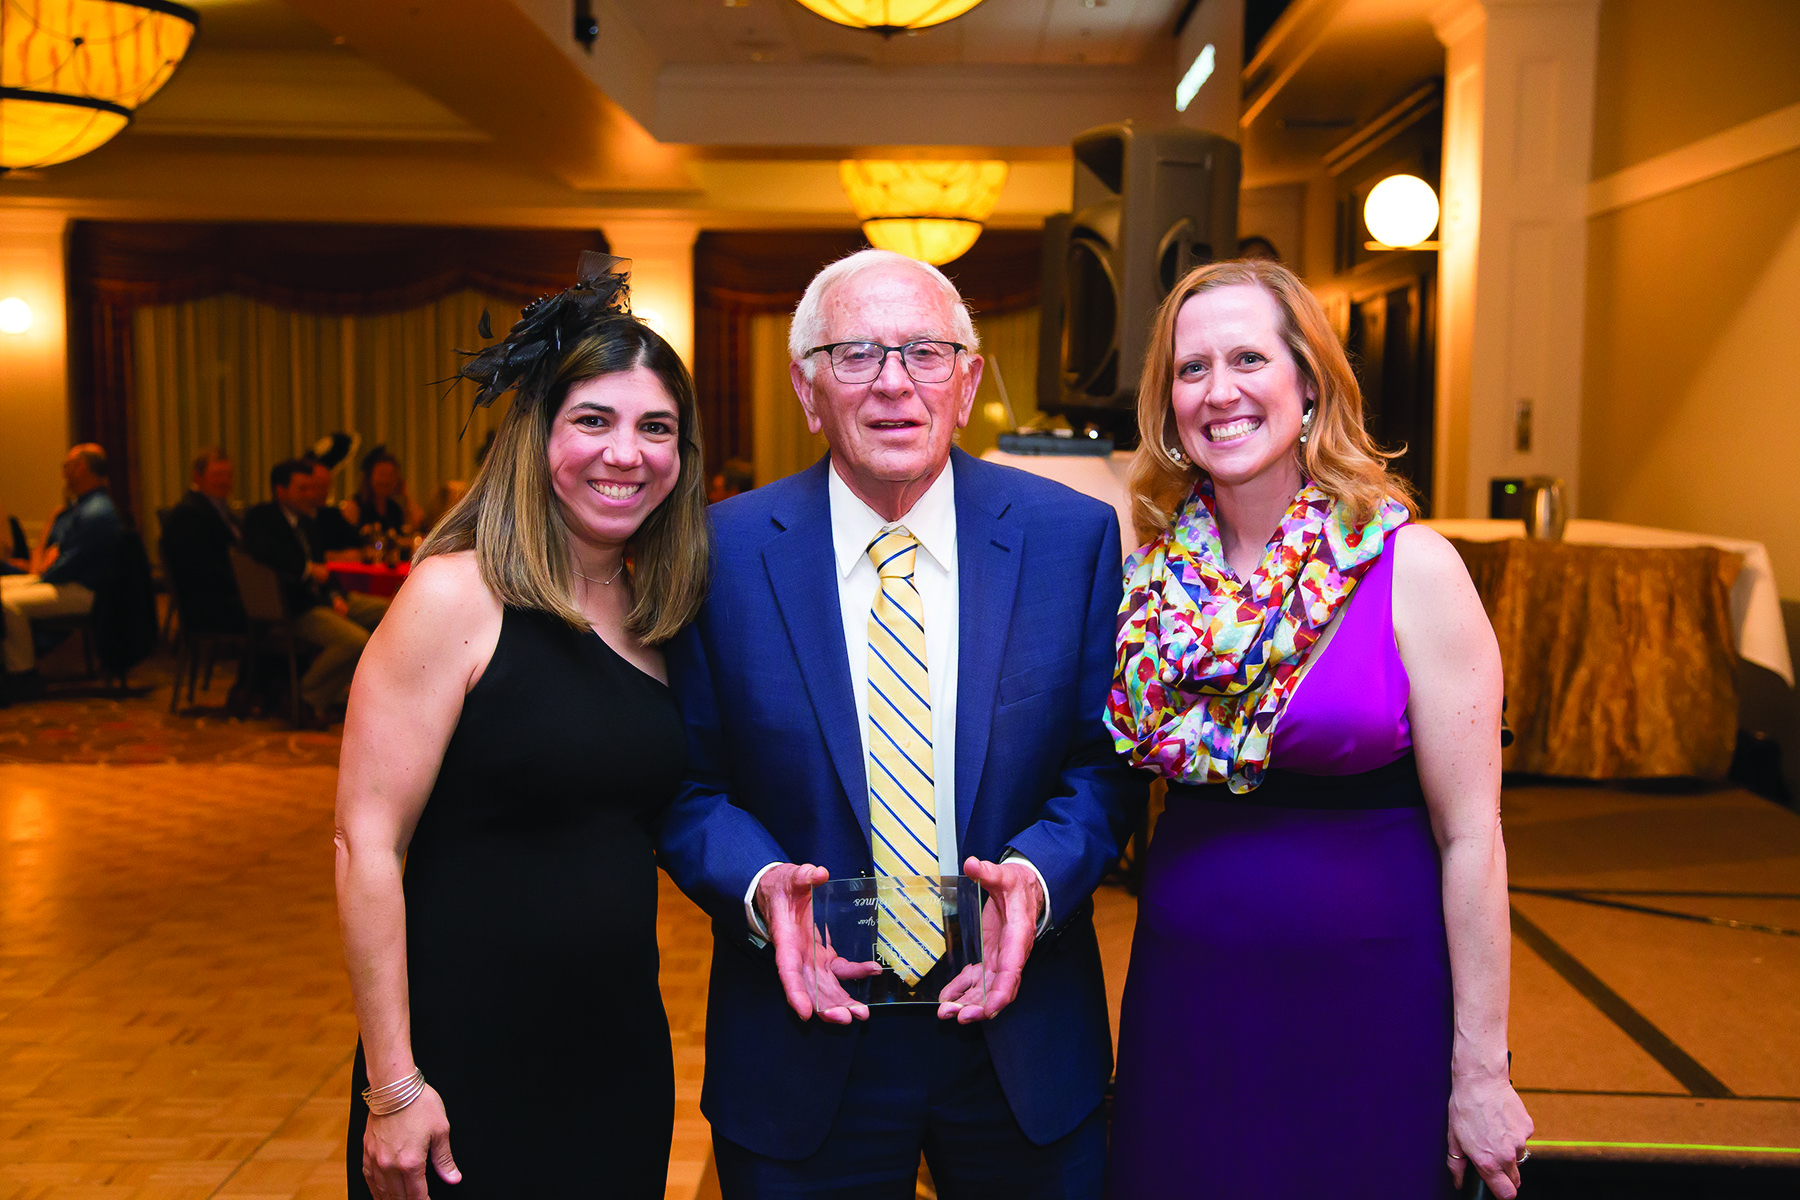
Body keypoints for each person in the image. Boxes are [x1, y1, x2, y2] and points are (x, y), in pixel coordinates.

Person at [656, 248, 1144, 1198]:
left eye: (925, 353)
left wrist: (1037, 883)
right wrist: (760, 888)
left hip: (1022, 1028)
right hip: (806, 1029)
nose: (893, 384)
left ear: (965, 383)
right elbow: (684, 784)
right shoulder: (719, 552)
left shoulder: (1069, 538)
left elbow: (1106, 764)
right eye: (855, 355)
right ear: (807, 391)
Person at [1104, 259, 1533, 1199]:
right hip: (1190, 995)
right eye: (1191, 369)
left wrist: (1482, 1068)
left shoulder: (1411, 567)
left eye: (1249, 358)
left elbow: (1473, 839)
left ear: (1310, 381)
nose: (1218, 393)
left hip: (1369, 998)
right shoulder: (1145, 578)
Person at [334, 256, 711, 1200]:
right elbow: (363, 841)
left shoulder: (656, 612)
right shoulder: (455, 594)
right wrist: (393, 1083)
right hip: (462, 1063)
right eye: (594, 420)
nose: (627, 453)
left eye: (655, 427)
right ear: (537, 435)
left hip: (616, 1054)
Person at [242, 459, 388, 723]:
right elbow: (265, 552)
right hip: (294, 606)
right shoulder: (262, 518)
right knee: (354, 640)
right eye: (302, 489)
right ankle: (304, 697)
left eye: (312, 488)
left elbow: (325, 569)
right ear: (281, 490)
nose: (310, 495)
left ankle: (381, 695)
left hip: (322, 598)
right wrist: (306, 569)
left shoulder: (308, 522)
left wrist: (334, 596)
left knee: (392, 611)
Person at [1, 444, 122, 683]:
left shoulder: (96, 511)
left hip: (88, 589)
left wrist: (38, 581)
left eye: (66, 466)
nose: (63, 472)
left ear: (80, 468)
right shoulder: (87, 505)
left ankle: (22, 675)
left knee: (8, 603)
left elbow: (72, 562)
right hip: (75, 581)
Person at [159, 447, 245, 633]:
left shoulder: (222, 509)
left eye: (229, 475)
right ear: (197, 477)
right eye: (218, 475)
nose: (225, 481)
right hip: (210, 605)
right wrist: (248, 584)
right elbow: (202, 570)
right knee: (283, 611)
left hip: (226, 595)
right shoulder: (188, 514)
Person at [343, 445, 422, 534]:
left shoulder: (394, 508)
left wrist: (406, 495)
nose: (386, 480)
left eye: (391, 476)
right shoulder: (355, 506)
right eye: (382, 474)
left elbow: (417, 523)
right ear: (369, 477)